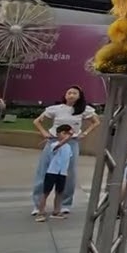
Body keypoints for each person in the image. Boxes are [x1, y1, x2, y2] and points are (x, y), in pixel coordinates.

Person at [31, 86, 101, 218]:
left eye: (75, 93)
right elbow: (37, 121)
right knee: (44, 171)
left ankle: (64, 204)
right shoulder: (56, 109)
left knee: (69, 174)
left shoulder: (83, 110)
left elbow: (96, 121)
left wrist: (85, 133)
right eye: (69, 92)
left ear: (79, 96)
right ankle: (38, 204)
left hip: (71, 143)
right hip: (53, 142)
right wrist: (44, 132)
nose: (71, 95)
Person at [36, 125, 76, 222]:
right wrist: (68, 137)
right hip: (52, 172)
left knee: (59, 192)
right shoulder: (54, 144)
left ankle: (56, 211)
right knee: (46, 192)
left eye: (67, 133)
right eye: (64, 133)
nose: (66, 136)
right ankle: (40, 212)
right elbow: (58, 146)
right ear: (58, 134)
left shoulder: (69, 147)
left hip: (62, 173)